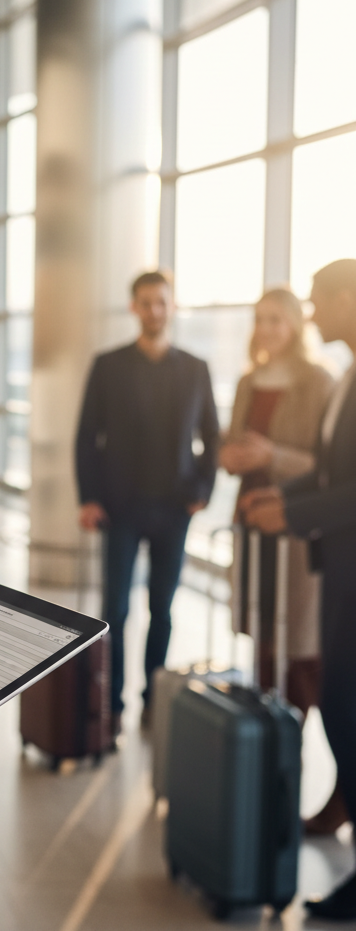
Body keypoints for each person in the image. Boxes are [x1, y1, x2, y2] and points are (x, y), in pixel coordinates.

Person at [243, 259, 356, 921]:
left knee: (341, 707)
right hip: (338, 570)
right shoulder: (347, 379)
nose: (313, 312)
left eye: (320, 300)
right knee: (341, 708)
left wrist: (297, 513)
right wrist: (281, 499)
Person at [221, 288, 345, 835]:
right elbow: (233, 445)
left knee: (306, 655)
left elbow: (326, 467)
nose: (266, 327)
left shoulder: (320, 381)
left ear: (294, 324)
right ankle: (269, 766)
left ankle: (323, 783)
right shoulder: (249, 380)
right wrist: (233, 456)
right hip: (256, 526)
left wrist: (271, 458)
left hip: (300, 533)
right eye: (259, 319)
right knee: (267, 647)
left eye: (277, 318)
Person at [76, 270, 218, 731]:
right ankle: (110, 706)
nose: (154, 311)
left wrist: (202, 492)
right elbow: (86, 437)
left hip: (174, 509)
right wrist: (89, 497)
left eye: (161, 302)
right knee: (114, 610)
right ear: (133, 307)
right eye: (146, 303)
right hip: (120, 508)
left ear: (171, 306)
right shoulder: (108, 364)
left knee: (163, 608)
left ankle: (153, 700)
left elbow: (212, 437)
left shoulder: (196, 368)